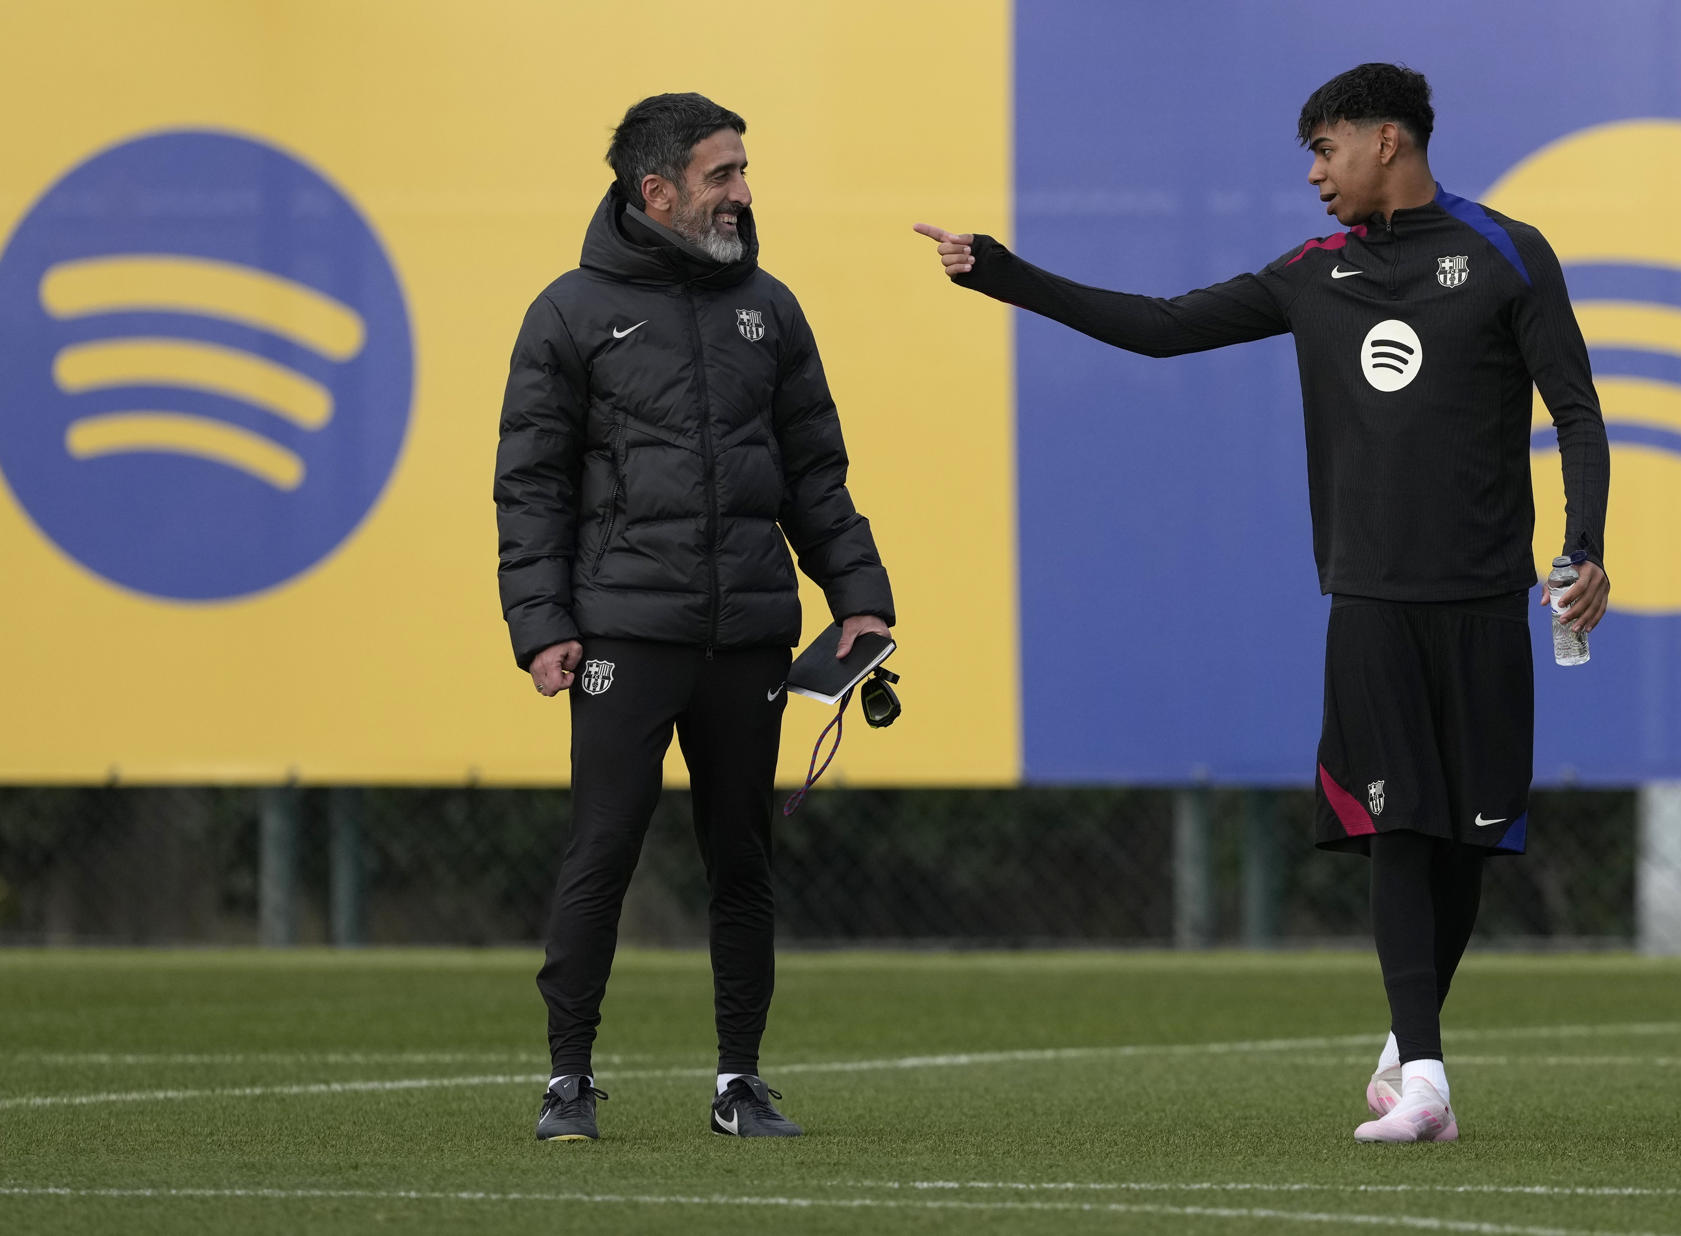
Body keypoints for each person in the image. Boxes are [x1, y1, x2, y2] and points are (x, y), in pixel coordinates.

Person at [916, 62, 1608, 1143]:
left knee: (1474, 839)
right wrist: (1005, 275)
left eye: (1326, 151)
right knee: (1398, 828)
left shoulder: (1507, 254)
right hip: (1371, 600)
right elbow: (1157, 325)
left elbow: (1576, 410)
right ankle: (1426, 1076)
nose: (1317, 177)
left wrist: (1584, 549)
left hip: (1486, 603)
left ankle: (1406, 1040)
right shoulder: (1312, 273)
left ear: (1388, 140)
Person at [497, 92, 894, 1142]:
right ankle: (568, 1083)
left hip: (750, 635)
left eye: (744, 170)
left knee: (742, 858)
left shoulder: (772, 307)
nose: (744, 193)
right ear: (656, 189)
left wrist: (858, 598)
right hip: (623, 635)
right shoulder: (568, 313)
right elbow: (529, 485)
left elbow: (816, 474)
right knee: (603, 852)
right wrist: (542, 623)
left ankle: (739, 1085)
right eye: (723, 175)